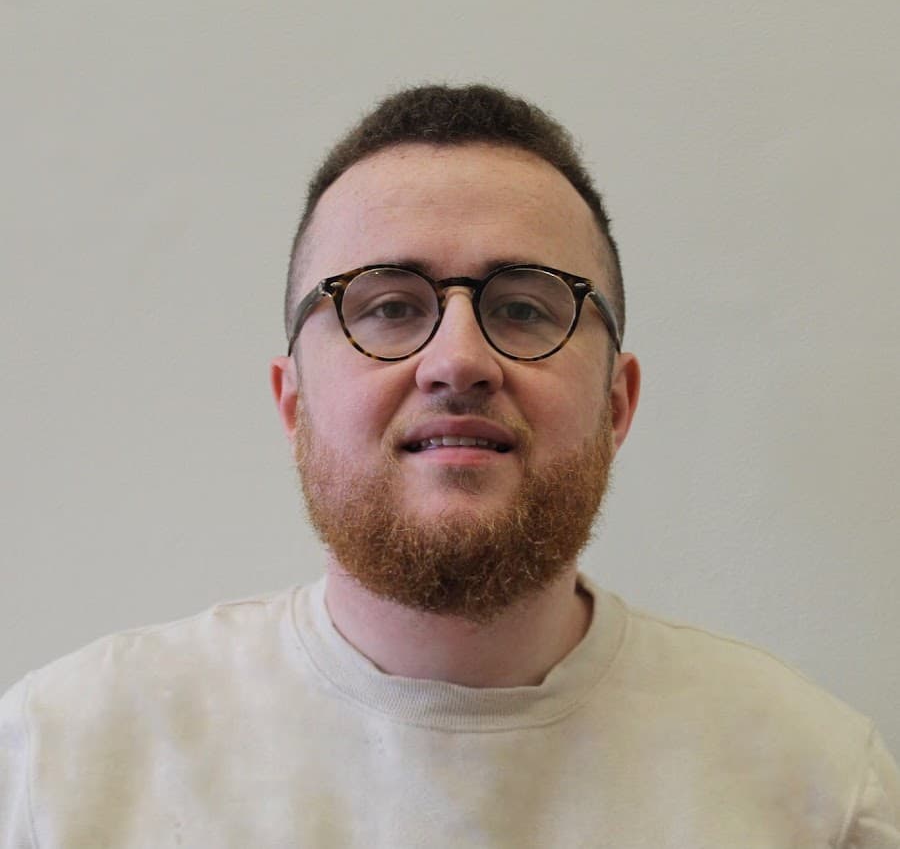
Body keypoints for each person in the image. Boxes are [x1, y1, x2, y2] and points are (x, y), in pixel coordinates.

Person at [1, 84, 897, 847]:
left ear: (616, 404)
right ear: (295, 402)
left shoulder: (814, 790)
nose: (458, 358)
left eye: (525, 307)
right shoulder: (64, 766)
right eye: (388, 307)